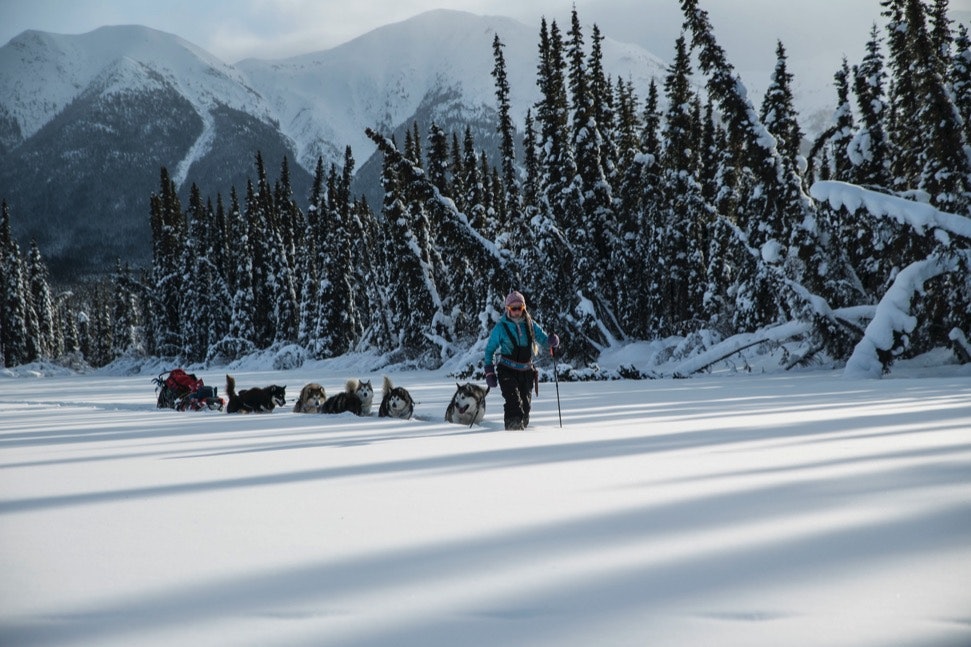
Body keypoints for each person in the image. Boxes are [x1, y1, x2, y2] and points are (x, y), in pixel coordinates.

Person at [484, 291, 560, 430]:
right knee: (513, 403)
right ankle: (512, 434)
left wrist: (552, 342)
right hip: (507, 371)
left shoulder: (530, 324)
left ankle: (521, 436)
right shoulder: (500, 327)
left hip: (526, 372)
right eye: (514, 308)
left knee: (525, 407)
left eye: (520, 308)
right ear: (508, 309)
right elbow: (489, 350)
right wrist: (489, 372)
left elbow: (544, 340)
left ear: (524, 308)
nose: (517, 311)